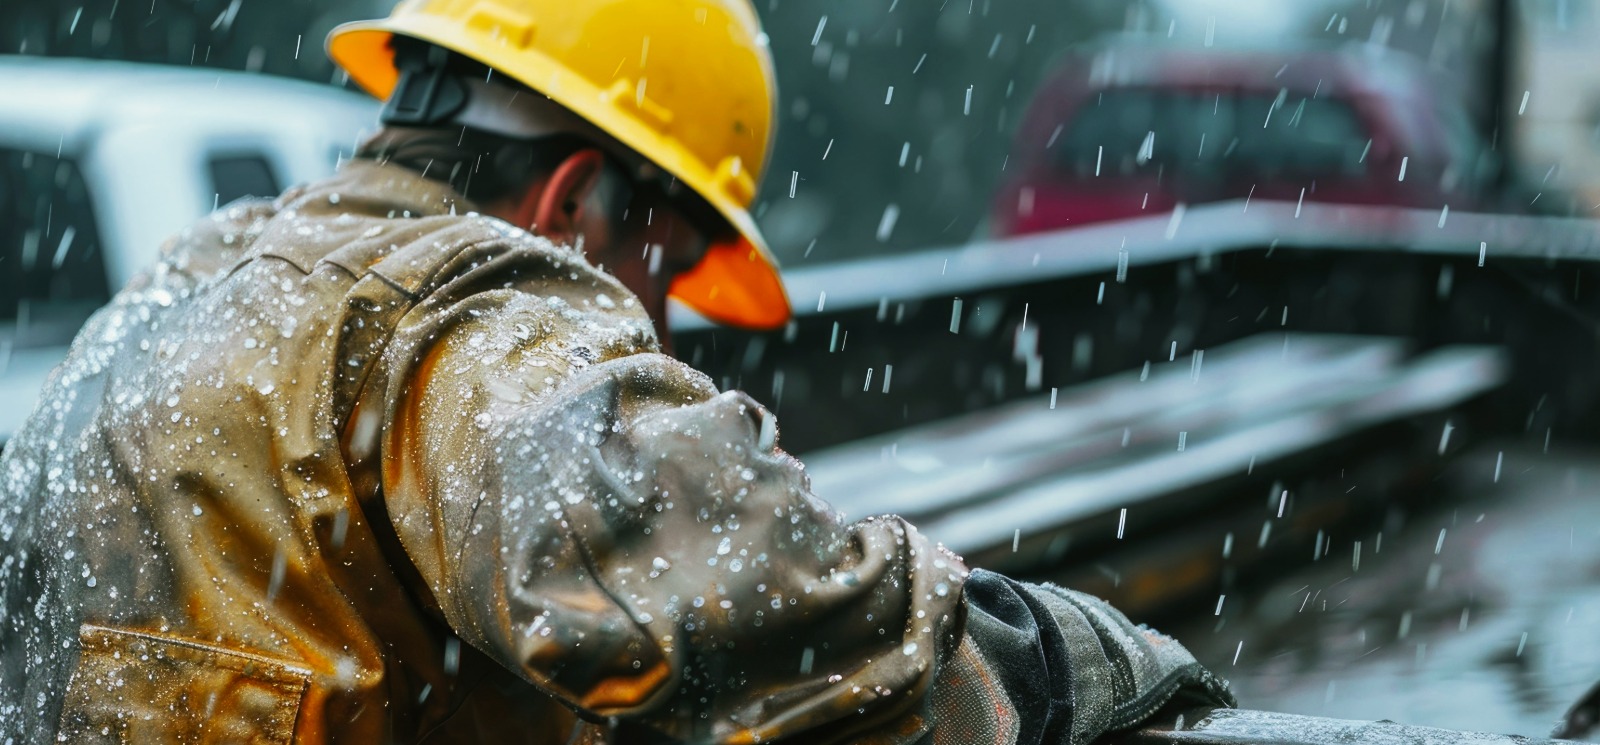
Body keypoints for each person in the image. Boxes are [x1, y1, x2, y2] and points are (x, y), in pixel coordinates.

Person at [0, 1, 1232, 742]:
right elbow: (756, 616)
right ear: (579, 197)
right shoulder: (468, 306)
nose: (659, 324)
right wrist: (1060, 660)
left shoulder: (168, 301)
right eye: (669, 261)